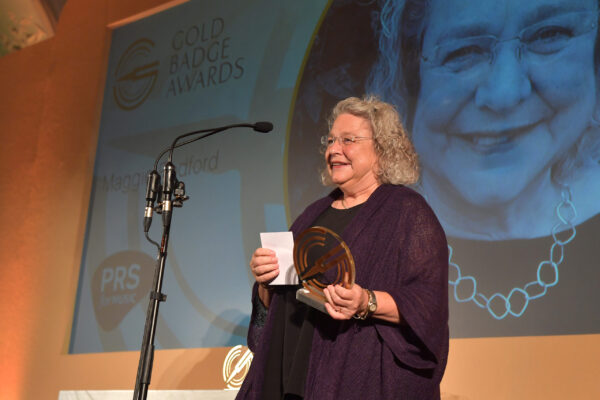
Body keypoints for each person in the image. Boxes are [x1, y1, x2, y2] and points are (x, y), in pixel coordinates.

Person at [364, 0, 600, 332]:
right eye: (462, 53)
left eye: (549, 35)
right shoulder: (368, 242)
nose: (505, 94)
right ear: (408, 82)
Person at [237, 96, 449, 399]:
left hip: (354, 379)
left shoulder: (409, 213)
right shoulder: (312, 214)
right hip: (286, 376)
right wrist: (265, 282)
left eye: (348, 140)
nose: (334, 150)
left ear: (382, 148)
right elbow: (275, 306)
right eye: (331, 140)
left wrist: (366, 301)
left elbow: (428, 307)